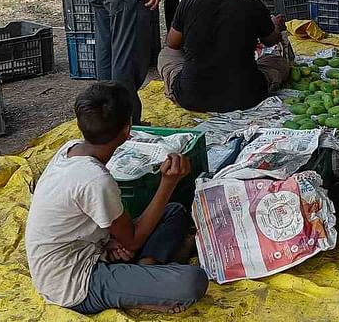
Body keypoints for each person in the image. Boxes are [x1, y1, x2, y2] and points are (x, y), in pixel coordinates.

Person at [25, 81, 208, 314]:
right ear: (127, 129)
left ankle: (145, 268)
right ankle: (138, 288)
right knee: (193, 281)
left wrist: (109, 242)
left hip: (86, 250)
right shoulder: (95, 179)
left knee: (173, 211)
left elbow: (85, 221)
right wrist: (168, 182)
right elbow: (132, 241)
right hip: (74, 284)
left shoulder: (70, 149)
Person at [157, 0, 290, 113]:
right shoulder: (253, 6)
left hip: (191, 96)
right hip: (244, 96)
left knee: (165, 54)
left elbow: (173, 43)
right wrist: (276, 25)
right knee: (279, 62)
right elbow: (270, 40)